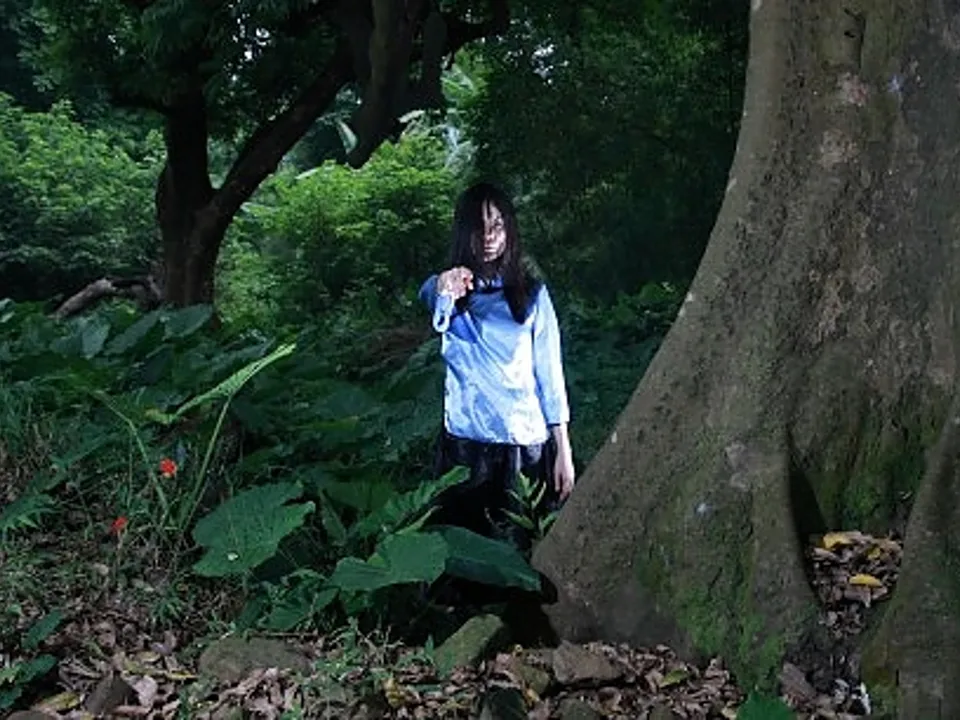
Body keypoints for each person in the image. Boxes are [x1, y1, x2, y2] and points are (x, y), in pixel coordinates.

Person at [419, 182, 575, 550]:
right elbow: (430, 295)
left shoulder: (532, 294)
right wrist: (445, 285)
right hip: (465, 445)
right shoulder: (452, 293)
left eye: (497, 225)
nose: (489, 237)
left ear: (509, 230)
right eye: (479, 226)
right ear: (464, 231)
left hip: (523, 443)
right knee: (464, 551)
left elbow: (550, 375)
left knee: (520, 549)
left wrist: (563, 451)